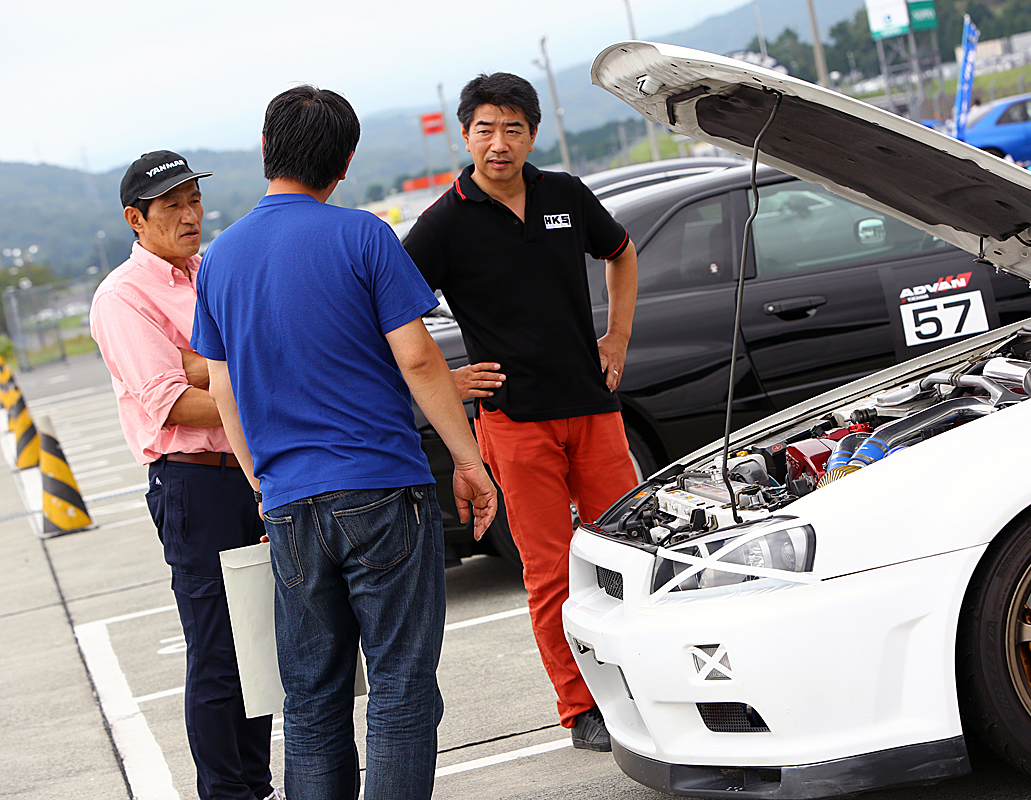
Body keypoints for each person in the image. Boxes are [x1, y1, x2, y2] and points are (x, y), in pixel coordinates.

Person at [190, 86, 496, 800]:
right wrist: (469, 460)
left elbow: (225, 391)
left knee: (311, 699)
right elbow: (419, 359)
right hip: (381, 490)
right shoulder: (363, 236)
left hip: (290, 504)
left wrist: (263, 486)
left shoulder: (222, 259)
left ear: (266, 150)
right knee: (399, 686)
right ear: (347, 162)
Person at [403, 72, 639, 752]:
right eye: (484, 128)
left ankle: (642, 683)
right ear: (465, 133)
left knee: (628, 555)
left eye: (512, 128)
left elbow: (620, 253)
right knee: (549, 572)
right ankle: (580, 709)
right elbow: (384, 317)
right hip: (515, 423)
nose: (498, 143)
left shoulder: (563, 193)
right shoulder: (443, 223)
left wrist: (617, 337)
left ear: (532, 134)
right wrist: (447, 379)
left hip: (593, 412)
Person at [90, 151, 278, 800]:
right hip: (194, 482)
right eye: (171, 205)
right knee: (219, 652)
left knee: (261, 640)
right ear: (135, 220)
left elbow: (243, 354)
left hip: (254, 472)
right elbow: (171, 402)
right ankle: (227, 793)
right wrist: (229, 378)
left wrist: (206, 364)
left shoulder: (213, 270)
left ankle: (258, 782)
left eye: (193, 199)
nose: (190, 214)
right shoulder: (123, 297)